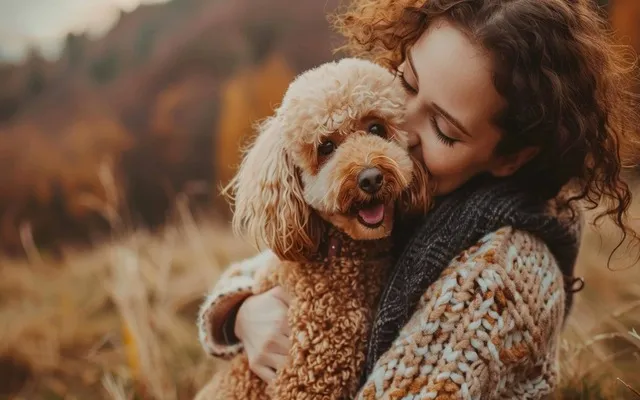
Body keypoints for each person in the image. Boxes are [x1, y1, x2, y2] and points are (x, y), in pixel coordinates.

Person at [197, 0, 640, 398]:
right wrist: (241, 313)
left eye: (444, 129)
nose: (402, 128)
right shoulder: (413, 202)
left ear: (510, 158)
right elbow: (272, 263)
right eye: (407, 83)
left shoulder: (496, 278)